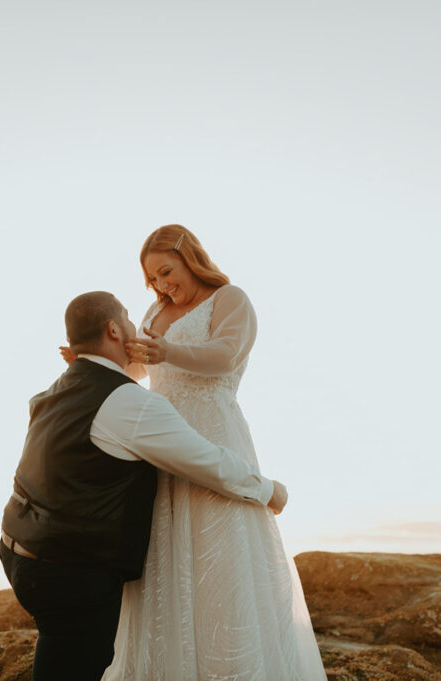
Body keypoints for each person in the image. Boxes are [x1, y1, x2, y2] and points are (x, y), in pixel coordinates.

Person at [0, 290, 289, 681]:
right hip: (68, 572)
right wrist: (268, 490)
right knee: (76, 663)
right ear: (114, 329)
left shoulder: (58, 387)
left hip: (19, 552)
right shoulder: (129, 403)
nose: (138, 329)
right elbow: (206, 462)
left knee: (60, 651)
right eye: (130, 321)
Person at [104, 225, 325, 680]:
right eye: (154, 280)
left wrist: (166, 351)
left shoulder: (231, 299)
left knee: (221, 566)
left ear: (190, 256)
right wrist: (98, 360)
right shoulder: (155, 310)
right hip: (162, 448)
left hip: (214, 433)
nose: (163, 285)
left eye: (167, 271)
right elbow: (140, 367)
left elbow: (225, 355)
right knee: (162, 564)